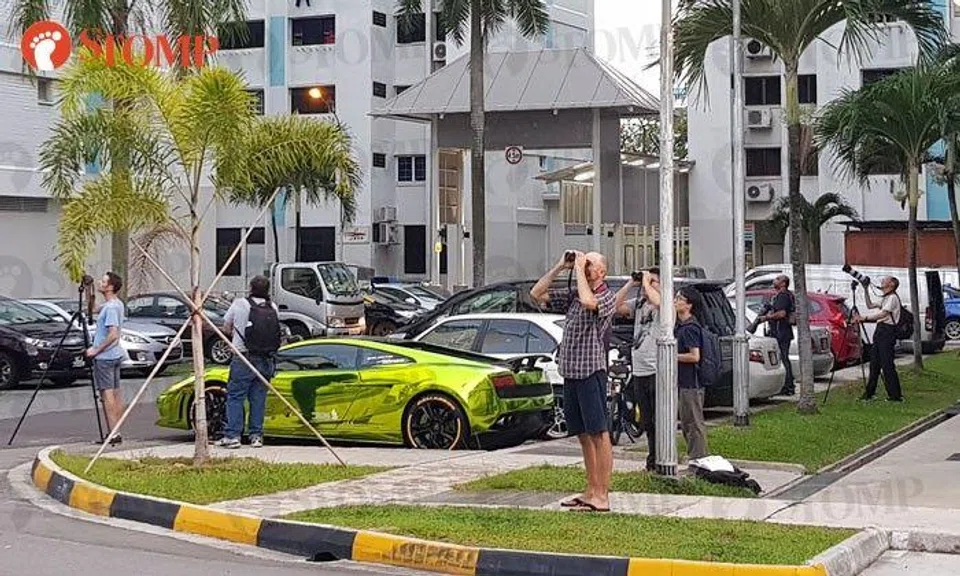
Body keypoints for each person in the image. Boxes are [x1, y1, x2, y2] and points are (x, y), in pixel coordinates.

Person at [531, 251, 616, 512]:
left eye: (591, 265)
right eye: (585, 263)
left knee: (599, 433)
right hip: (571, 371)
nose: (586, 267)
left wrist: (580, 269)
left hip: (591, 371)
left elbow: (590, 301)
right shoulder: (574, 295)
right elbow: (537, 293)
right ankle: (590, 489)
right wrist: (561, 266)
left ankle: (602, 494)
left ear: (601, 272)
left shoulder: (605, 296)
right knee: (582, 434)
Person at [217, 275, 282, 449]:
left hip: (243, 357)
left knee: (236, 397)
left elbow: (226, 326)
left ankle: (233, 435)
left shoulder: (239, 304)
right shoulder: (273, 307)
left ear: (251, 288)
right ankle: (256, 436)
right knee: (258, 399)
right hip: (266, 359)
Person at [615, 268, 661, 472]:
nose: (648, 285)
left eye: (654, 282)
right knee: (647, 421)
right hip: (640, 369)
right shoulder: (640, 303)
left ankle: (660, 458)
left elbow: (658, 301)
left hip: (657, 370)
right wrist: (630, 284)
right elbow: (616, 307)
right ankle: (652, 459)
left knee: (659, 420)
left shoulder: (666, 305)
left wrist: (647, 282)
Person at [85, 271, 126, 446]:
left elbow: (113, 335)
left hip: (105, 357)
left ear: (110, 286)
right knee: (115, 393)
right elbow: (92, 309)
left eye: (103, 282)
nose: (101, 283)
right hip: (115, 355)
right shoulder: (115, 304)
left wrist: (95, 350)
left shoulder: (110, 308)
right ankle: (116, 430)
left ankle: (113, 432)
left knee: (107, 394)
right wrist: (89, 289)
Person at [853, 276, 904, 402]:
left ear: (891, 284)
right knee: (874, 364)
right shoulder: (886, 298)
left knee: (887, 365)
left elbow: (883, 314)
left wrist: (864, 318)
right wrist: (865, 289)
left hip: (887, 332)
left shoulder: (892, 298)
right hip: (880, 331)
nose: (882, 281)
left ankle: (895, 395)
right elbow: (870, 305)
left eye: (885, 280)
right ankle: (869, 393)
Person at [675, 286, 709, 460]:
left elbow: (694, 356)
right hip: (683, 382)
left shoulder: (690, 327)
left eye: (680, 299)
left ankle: (699, 458)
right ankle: (694, 456)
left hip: (691, 382)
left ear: (689, 305)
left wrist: (673, 356)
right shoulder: (680, 326)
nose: (676, 301)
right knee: (687, 423)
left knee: (694, 423)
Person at [757, 275, 795, 396]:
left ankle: (788, 385)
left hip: (781, 332)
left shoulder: (783, 296)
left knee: (783, 358)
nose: (774, 281)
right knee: (783, 358)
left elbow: (782, 313)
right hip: (781, 331)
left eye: (777, 279)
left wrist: (767, 317)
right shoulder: (783, 295)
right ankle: (787, 384)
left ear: (783, 283)